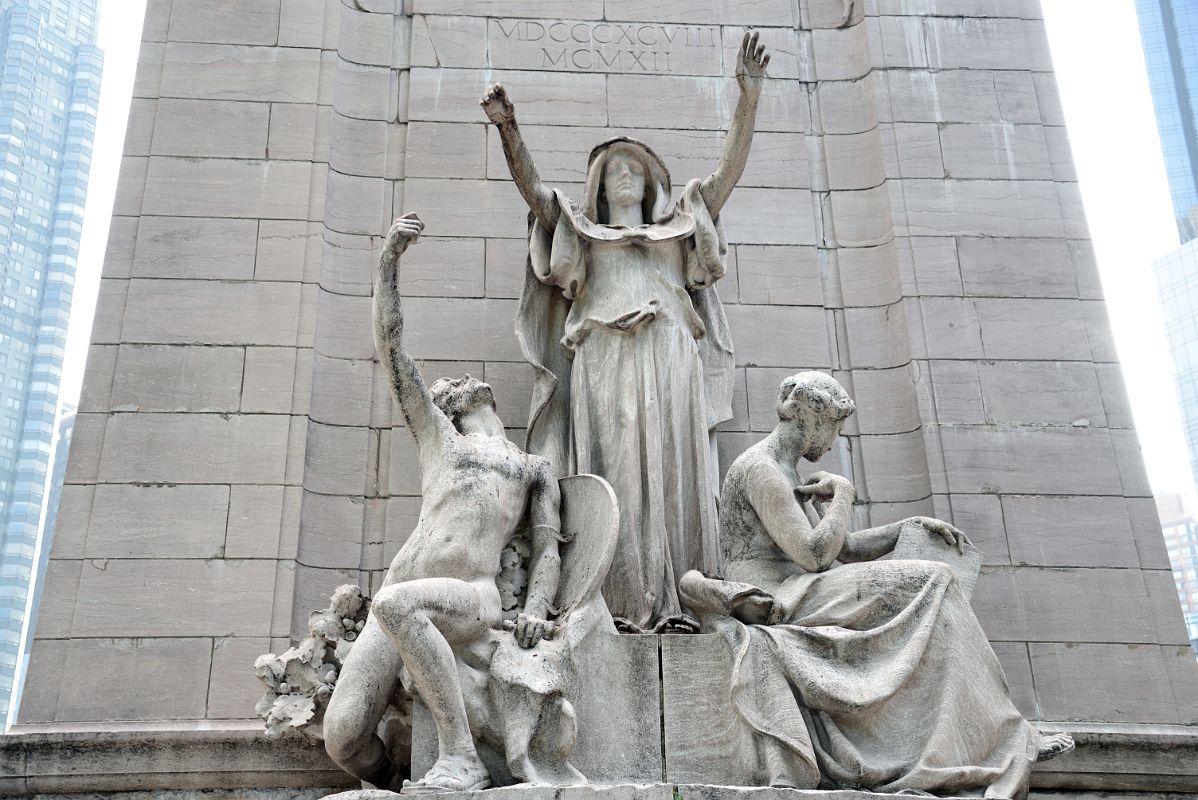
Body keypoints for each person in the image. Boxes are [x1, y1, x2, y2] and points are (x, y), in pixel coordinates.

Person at [482, 33, 771, 633]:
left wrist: (748, 101)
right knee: (615, 473)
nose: (622, 177)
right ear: (598, 185)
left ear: (648, 183)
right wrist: (509, 130)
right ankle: (614, 602)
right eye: (611, 170)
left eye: (631, 170)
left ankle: (682, 597)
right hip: (603, 358)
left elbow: (726, 178)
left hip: (669, 357)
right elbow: (537, 197)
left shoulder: (681, 225)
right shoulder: (582, 235)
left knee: (670, 474)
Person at [680, 372, 1074, 798]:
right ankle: (997, 741)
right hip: (781, 593)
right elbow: (815, 553)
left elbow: (843, 546)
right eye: (834, 425)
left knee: (935, 583)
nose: (833, 439)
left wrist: (908, 526)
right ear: (810, 416)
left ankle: (985, 736)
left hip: (805, 584)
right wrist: (843, 495)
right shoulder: (761, 469)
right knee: (934, 578)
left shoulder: (785, 467)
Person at [322, 214, 566, 793]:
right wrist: (387, 262)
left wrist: (535, 607)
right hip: (398, 593)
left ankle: (462, 757)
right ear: (452, 407)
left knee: (403, 607)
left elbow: (550, 546)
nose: (467, 382)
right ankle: (393, 782)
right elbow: (392, 350)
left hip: (471, 595)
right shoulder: (442, 442)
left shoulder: (533, 467)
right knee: (344, 739)